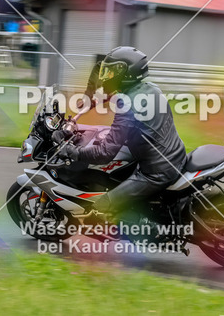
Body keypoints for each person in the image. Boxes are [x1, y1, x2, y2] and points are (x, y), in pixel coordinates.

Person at [54, 46, 187, 216]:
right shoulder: (151, 88)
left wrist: (74, 152)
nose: (106, 77)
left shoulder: (127, 106)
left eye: (111, 72)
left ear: (126, 74)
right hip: (173, 155)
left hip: (157, 172)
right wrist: (96, 101)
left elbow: (105, 153)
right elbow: (123, 96)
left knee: (100, 207)